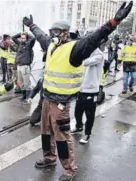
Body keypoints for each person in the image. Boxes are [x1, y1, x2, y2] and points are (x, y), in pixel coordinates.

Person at [23, 1, 133, 180]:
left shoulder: (75, 48)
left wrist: (114, 22)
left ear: (66, 33)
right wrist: (31, 25)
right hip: (46, 99)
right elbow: (41, 34)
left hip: (60, 103)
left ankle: (69, 169)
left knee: (62, 137)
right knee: (45, 132)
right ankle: (49, 158)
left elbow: (95, 37)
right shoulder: (52, 45)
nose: (53, 35)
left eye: (57, 32)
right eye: (52, 31)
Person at [71, 30, 105, 144]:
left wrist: (79, 54)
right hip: (81, 88)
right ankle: (79, 126)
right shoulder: (86, 51)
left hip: (91, 89)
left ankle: (87, 134)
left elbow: (84, 62)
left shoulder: (99, 54)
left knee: (89, 114)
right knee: (77, 111)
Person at [12, 32, 35, 103]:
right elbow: (13, 37)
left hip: (25, 66)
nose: (22, 39)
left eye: (23, 38)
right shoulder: (20, 44)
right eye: (21, 38)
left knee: (26, 83)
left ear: (27, 39)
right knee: (21, 82)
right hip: (19, 66)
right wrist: (20, 33)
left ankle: (28, 98)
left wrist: (27, 33)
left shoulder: (29, 45)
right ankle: (24, 96)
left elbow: (33, 38)